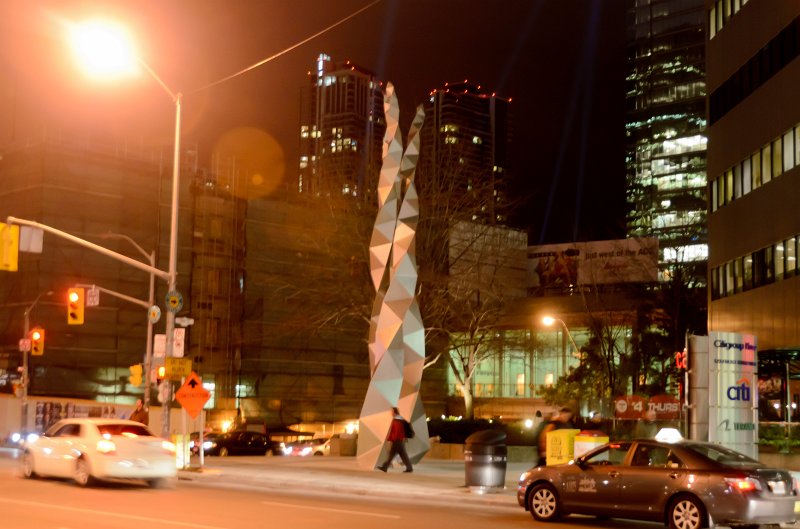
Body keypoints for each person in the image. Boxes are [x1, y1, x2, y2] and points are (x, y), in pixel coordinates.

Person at [377, 407, 413, 473]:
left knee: (392, 454)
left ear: (394, 412)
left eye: (392, 411)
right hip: (400, 440)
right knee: (402, 455)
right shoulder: (400, 419)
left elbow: (396, 431)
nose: (391, 413)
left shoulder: (396, 420)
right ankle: (409, 467)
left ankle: (385, 467)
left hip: (397, 440)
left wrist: (392, 439)